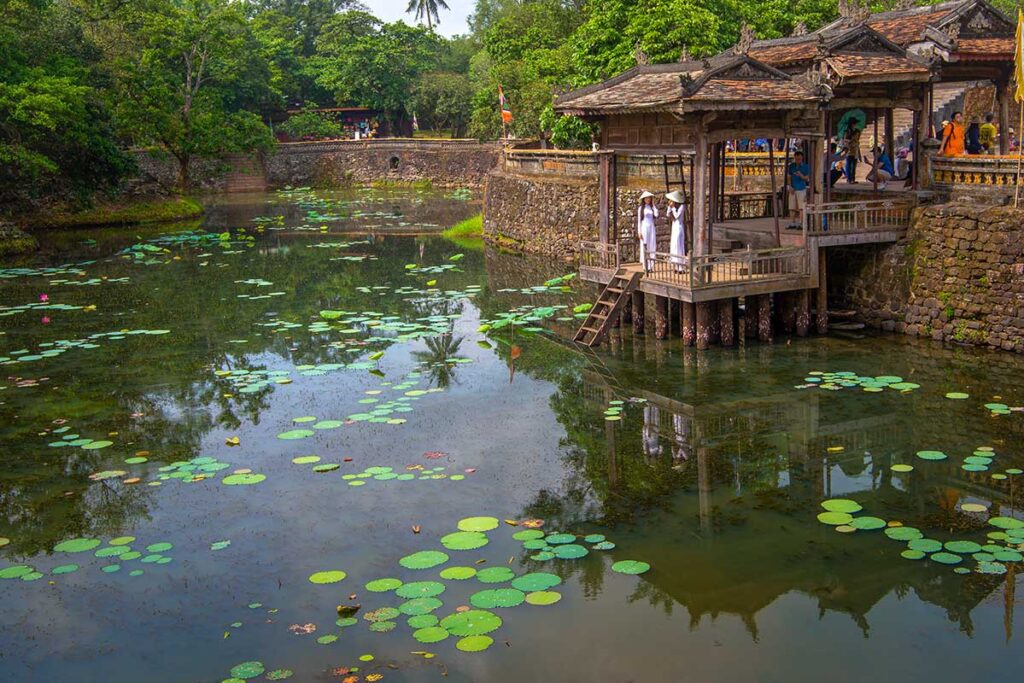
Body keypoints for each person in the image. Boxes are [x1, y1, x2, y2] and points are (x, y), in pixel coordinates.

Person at [786, 150, 811, 230]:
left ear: (802, 158)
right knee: (792, 207)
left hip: (801, 188)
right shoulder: (791, 166)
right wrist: (790, 186)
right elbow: (789, 177)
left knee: (801, 207)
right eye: (796, 159)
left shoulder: (806, 166)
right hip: (793, 188)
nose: (798, 161)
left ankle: (801, 223)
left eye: (799, 159)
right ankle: (792, 222)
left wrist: (801, 175)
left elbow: (807, 178)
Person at [637, 191, 659, 273]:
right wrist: (639, 232)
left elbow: (656, 215)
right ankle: (645, 265)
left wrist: (653, 205)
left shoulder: (651, 207)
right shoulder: (641, 209)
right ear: (644, 199)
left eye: (649, 198)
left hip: (651, 227)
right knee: (644, 245)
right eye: (646, 198)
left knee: (652, 245)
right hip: (644, 227)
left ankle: (651, 265)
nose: (648, 199)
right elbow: (639, 221)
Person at [665, 191, 687, 272]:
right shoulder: (672, 207)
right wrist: (669, 207)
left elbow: (677, 216)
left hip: (679, 227)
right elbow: (667, 214)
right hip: (674, 227)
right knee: (674, 245)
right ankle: (676, 266)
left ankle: (681, 267)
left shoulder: (682, 206)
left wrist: (673, 208)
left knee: (679, 245)